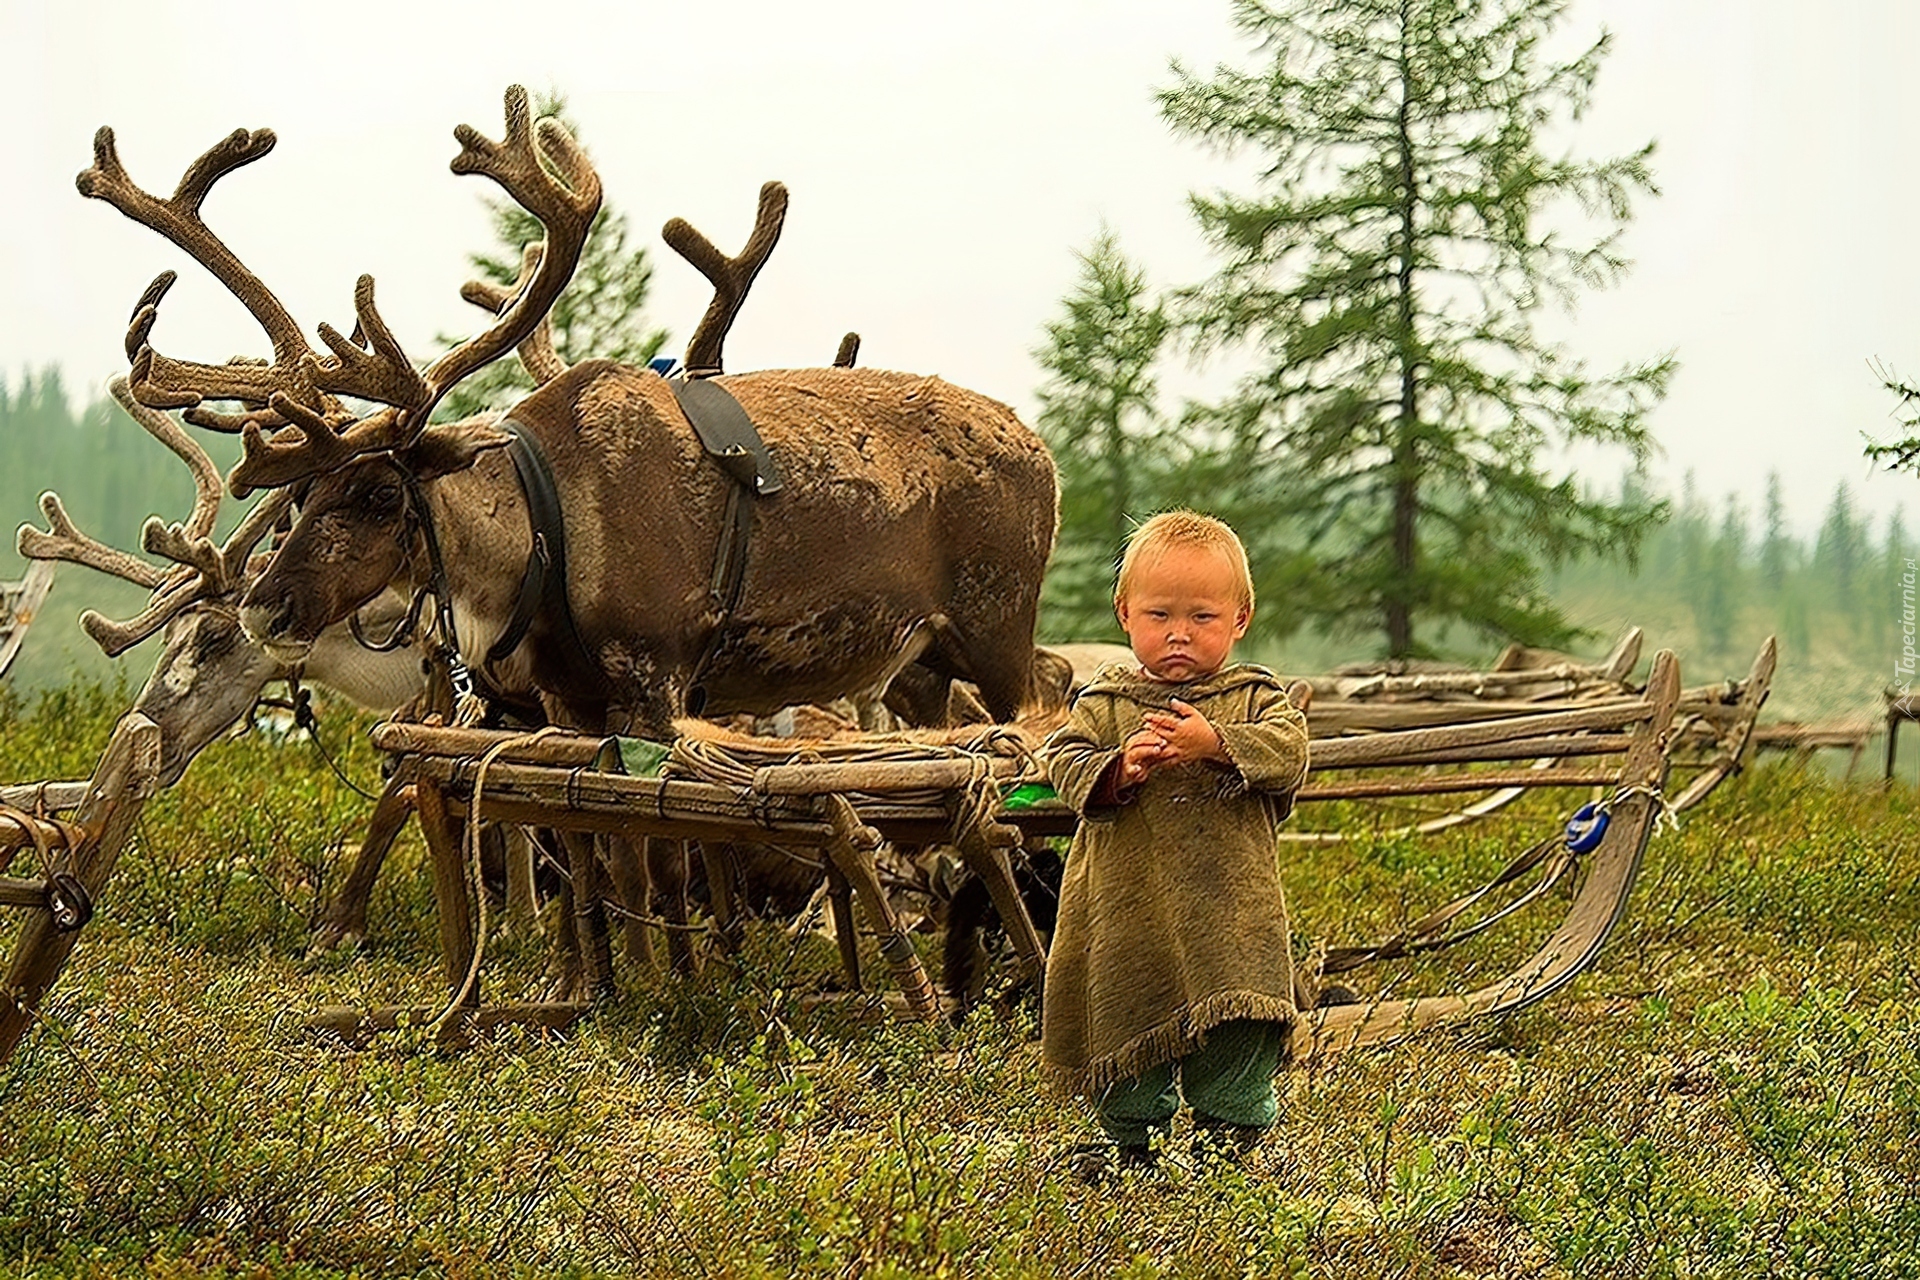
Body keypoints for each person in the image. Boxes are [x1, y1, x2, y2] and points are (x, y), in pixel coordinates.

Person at [1039, 510, 1310, 1180]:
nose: (1179, 634)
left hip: (1230, 915)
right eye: (1159, 616)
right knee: (1125, 1019)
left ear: (1241, 619)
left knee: (1235, 1029)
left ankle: (1232, 1143)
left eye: (1203, 618)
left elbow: (1290, 753)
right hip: (1129, 915)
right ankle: (1133, 1143)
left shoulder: (1253, 698)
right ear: (1124, 613)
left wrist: (1216, 744)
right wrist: (1117, 769)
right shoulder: (1106, 702)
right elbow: (1063, 759)